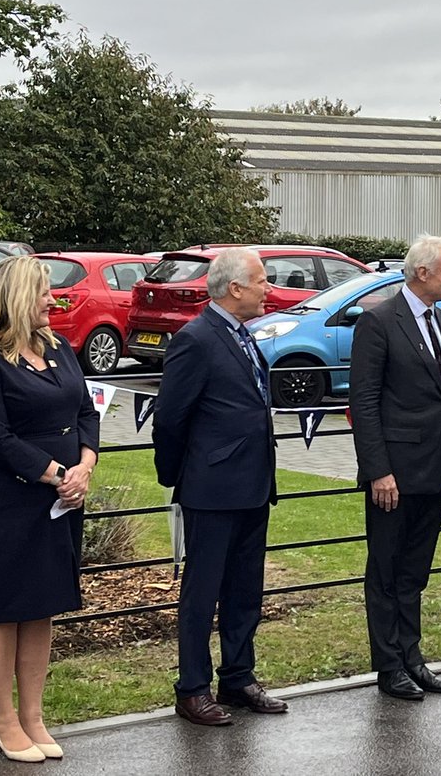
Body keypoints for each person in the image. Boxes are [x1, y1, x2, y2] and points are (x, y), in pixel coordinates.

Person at [0, 257, 98, 761]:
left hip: (62, 496)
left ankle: (34, 716)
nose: (51, 300)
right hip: (7, 497)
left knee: (42, 605)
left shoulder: (58, 347)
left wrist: (84, 465)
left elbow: (85, 410)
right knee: (2, 609)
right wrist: (57, 475)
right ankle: (4, 720)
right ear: (17, 296)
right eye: (43, 292)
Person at [153, 247, 287, 727]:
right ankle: (192, 689)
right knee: (202, 592)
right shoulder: (197, 339)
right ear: (235, 289)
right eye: (261, 281)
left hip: (252, 485)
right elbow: (170, 419)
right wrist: (178, 477)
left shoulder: (243, 336)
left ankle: (238, 676)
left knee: (245, 590)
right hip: (211, 488)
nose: (268, 289)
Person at [349, 234, 441, 702]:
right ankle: (389, 665)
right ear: (423, 273)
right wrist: (379, 470)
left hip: (434, 469)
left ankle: (412, 657)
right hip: (394, 473)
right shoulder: (378, 322)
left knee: (414, 570)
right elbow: (364, 400)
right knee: (385, 569)